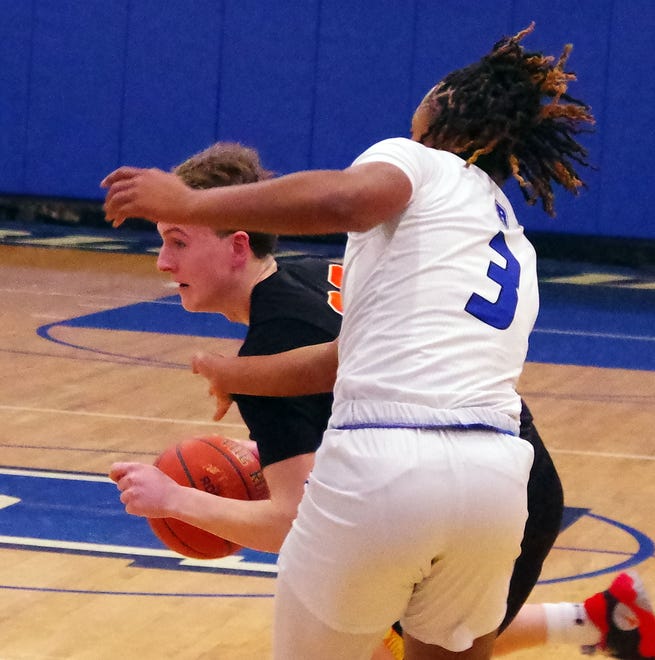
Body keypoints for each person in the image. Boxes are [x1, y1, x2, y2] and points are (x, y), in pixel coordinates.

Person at [103, 26, 646, 660]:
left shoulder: (417, 160)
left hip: (387, 465)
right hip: (498, 481)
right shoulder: (506, 234)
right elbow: (345, 359)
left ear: (447, 109)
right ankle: (599, 622)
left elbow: (345, 200)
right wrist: (239, 375)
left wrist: (193, 201)